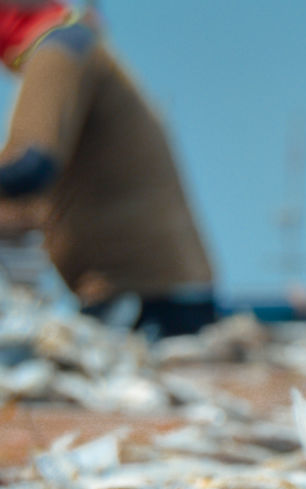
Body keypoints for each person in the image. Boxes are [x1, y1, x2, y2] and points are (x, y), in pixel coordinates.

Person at [0, 1, 217, 338]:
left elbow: (30, 167)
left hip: (145, 298)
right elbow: (25, 203)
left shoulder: (59, 49)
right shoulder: (78, 47)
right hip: (164, 291)